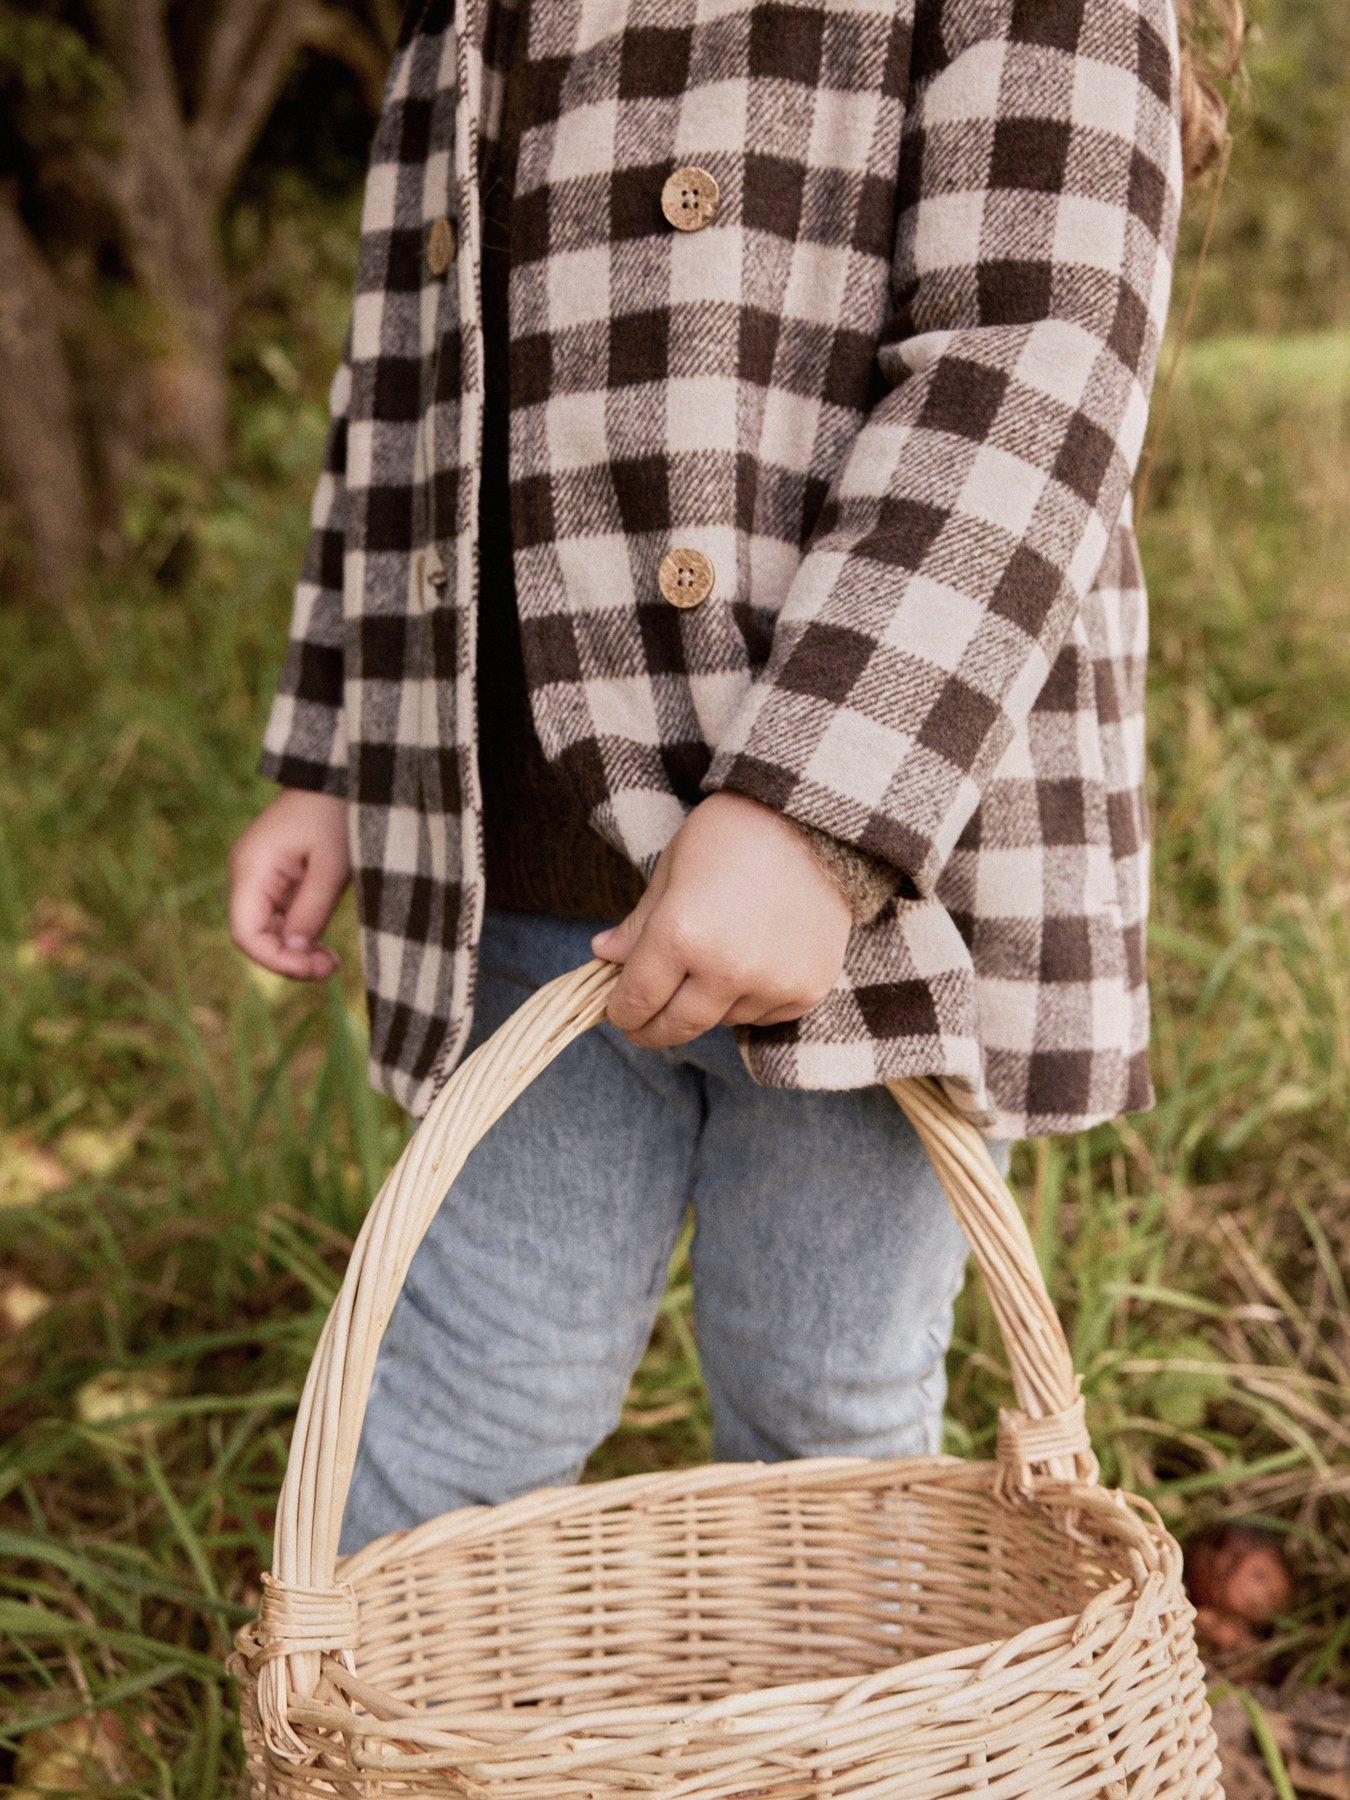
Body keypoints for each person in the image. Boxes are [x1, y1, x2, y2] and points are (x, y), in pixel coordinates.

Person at [229, 0, 1234, 1551]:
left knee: (823, 1412)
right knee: (458, 1400)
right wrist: (330, 746)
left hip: (880, 883)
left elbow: (1034, 354)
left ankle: (843, 1704)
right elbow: (406, 387)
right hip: (532, 873)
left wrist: (811, 810)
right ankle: (355, 1704)